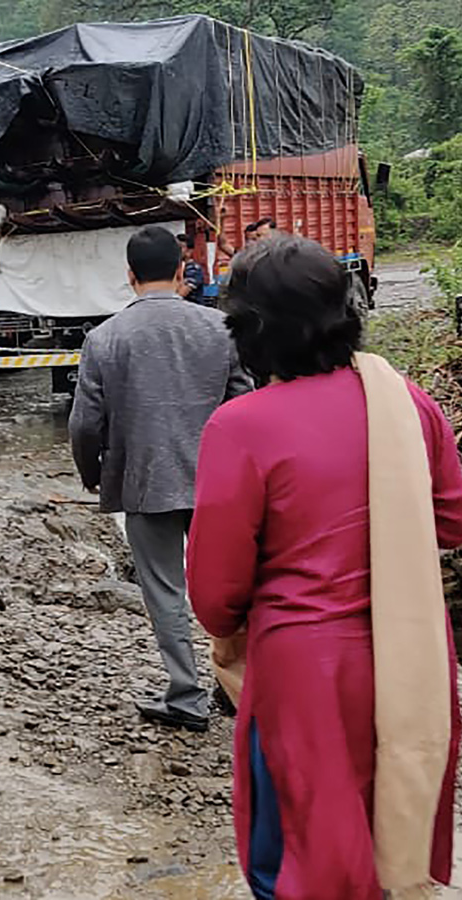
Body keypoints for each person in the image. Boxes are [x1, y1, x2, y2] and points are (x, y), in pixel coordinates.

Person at [186, 234, 462, 900]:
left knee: (298, 863)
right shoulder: (404, 401)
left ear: (246, 333)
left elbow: (216, 593)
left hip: (304, 680)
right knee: (394, 849)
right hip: (414, 664)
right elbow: (453, 520)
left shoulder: (240, 426)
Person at [68, 225, 252, 732]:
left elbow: (85, 422)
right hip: (217, 483)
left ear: (129, 276)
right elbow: (244, 403)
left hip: (145, 483)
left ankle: (186, 696)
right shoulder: (220, 329)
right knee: (233, 586)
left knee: (165, 590)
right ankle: (241, 687)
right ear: (179, 269)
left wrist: (92, 472)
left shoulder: (103, 339)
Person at [178, 234, 208, 306]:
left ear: (189, 251)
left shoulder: (194, 269)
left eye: (180, 247)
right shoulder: (175, 267)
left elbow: (182, 293)